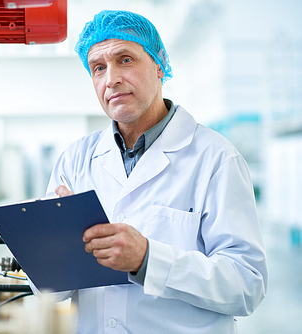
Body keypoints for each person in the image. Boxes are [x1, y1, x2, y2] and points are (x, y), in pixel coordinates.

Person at [32, 9, 268, 334]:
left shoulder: (216, 158)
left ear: (159, 65)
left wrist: (147, 260)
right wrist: (54, 246)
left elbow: (247, 285)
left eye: (125, 59)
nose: (111, 78)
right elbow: (50, 291)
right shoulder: (74, 160)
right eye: (98, 68)